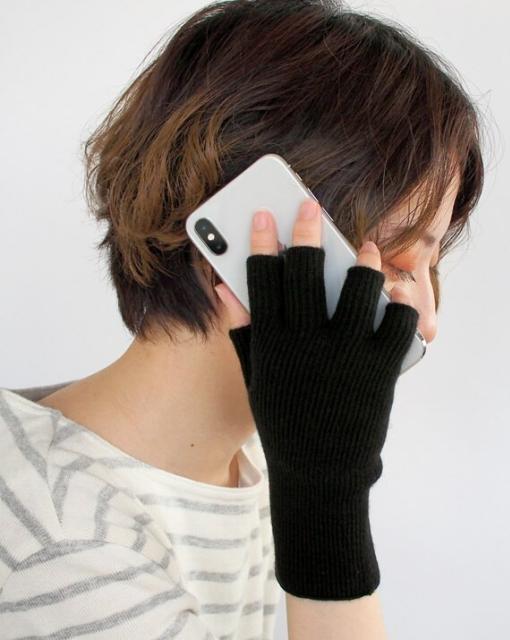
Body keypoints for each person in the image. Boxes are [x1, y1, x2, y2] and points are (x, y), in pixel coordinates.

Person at [0, 0, 484, 637]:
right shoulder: (71, 550)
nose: (426, 322)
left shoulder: (246, 463)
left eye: (431, 267)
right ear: (253, 228)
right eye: (394, 263)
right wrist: (327, 501)